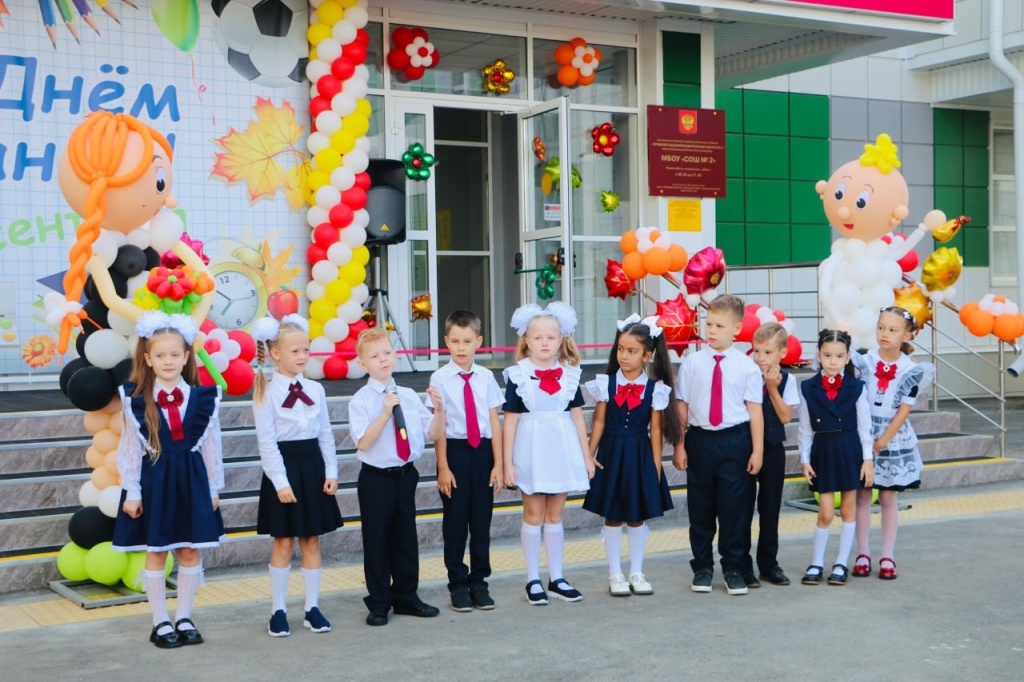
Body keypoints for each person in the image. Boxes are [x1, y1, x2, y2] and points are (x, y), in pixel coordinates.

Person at [112, 312, 225, 648]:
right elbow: (130, 447)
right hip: (155, 480)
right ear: (147, 359)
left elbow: (212, 446)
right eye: (160, 355)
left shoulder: (203, 398)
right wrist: (132, 490)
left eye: (175, 355)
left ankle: (185, 615)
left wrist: (214, 488)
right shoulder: (135, 399)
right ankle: (160, 620)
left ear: (187, 356)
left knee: (190, 550)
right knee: (157, 550)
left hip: (192, 481)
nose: (168, 361)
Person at [251, 314, 343, 637]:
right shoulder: (265, 392)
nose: (303, 356)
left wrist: (331, 471)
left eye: (306, 350)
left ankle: (312, 607)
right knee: (283, 541)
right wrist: (280, 482)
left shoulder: (316, 389)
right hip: (285, 470)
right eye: (295, 351)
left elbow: (326, 435)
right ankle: (278, 609)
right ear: (275, 353)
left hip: (313, 467)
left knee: (312, 539)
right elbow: (267, 442)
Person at [348, 327, 446, 626]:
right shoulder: (362, 400)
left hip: (406, 475)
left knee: (405, 537)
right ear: (363, 364)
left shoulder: (408, 395)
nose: (383, 360)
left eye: (387, 353)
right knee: (377, 539)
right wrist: (384, 414)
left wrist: (440, 410)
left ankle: (406, 595)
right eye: (375, 356)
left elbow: (433, 433)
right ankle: (379, 601)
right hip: (376, 477)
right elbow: (363, 442)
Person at [582, 313, 681, 597]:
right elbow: (599, 422)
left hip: (638, 453)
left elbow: (656, 429)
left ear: (647, 355)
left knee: (638, 516)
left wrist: (656, 466)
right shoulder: (606, 384)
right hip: (612, 453)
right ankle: (615, 573)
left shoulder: (656, 389)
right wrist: (589, 455)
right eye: (620, 349)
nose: (624, 356)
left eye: (632, 351)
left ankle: (637, 571)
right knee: (612, 516)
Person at [503, 302, 595, 605]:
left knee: (555, 515)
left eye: (550, 337)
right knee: (533, 514)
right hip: (530, 450)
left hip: (562, 447)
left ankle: (556, 577)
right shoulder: (518, 375)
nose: (544, 343)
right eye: (537, 337)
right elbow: (511, 421)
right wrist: (507, 463)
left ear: (561, 340)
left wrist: (585, 457)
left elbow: (578, 418)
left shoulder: (570, 375)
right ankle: (532, 579)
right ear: (527, 340)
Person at [672, 294, 763, 596]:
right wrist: (680, 445)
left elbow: (754, 412)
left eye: (719, 325)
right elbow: (682, 407)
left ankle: (734, 568)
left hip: (734, 440)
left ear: (737, 329)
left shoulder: (746, 367)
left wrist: (757, 450)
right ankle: (702, 567)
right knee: (701, 508)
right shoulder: (692, 363)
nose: (711, 330)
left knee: (734, 509)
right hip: (700, 440)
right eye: (708, 323)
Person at [429, 310, 505, 613]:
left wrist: (498, 464)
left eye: (468, 341)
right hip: (455, 452)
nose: (461, 347)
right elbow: (440, 427)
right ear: (447, 342)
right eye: (455, 341)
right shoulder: (440, 378)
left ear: (479, 342)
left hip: (483, 453)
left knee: (482, 523)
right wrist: (443, 467)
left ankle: (479, 583)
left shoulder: (486, 377)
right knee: (456, 523)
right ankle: (458, 585)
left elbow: (494, 422)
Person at [852, 307, 935, 580]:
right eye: (881, 327)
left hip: (892, 435)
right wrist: (867, 441)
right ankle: (862, 553)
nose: (884, 334)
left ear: (909, 334)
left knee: (888, 496)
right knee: (863, 495)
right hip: (863, 431)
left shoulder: (911, 370)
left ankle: (888, 555)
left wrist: (882, 441)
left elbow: (903, 410)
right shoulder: (863, 360)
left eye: (893, 329)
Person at [797, 330, 874, 587]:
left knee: (848, 509)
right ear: (818, 355)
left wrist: (867, 459)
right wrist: (805, 460)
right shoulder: (808, 387)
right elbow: (805, 428)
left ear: (848, 357)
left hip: (849, 448)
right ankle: (816, 561)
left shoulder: (857, 387)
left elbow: (865, 426)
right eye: (827, 355)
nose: (832, 361)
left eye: (839, 356)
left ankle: (841, 562)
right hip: (823, 449)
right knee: (826, 513)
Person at [743, 322, 802, 588]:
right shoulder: (745, 374)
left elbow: (786, 416)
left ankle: (768, 564)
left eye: (767, 352)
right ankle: (742, 565)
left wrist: (773, 387)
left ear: (782, 353)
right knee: (742, 508)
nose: (761, 358)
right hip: (744, 447)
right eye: (757, 351)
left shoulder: (788, 380)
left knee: (770, 508)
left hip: (773, 448)